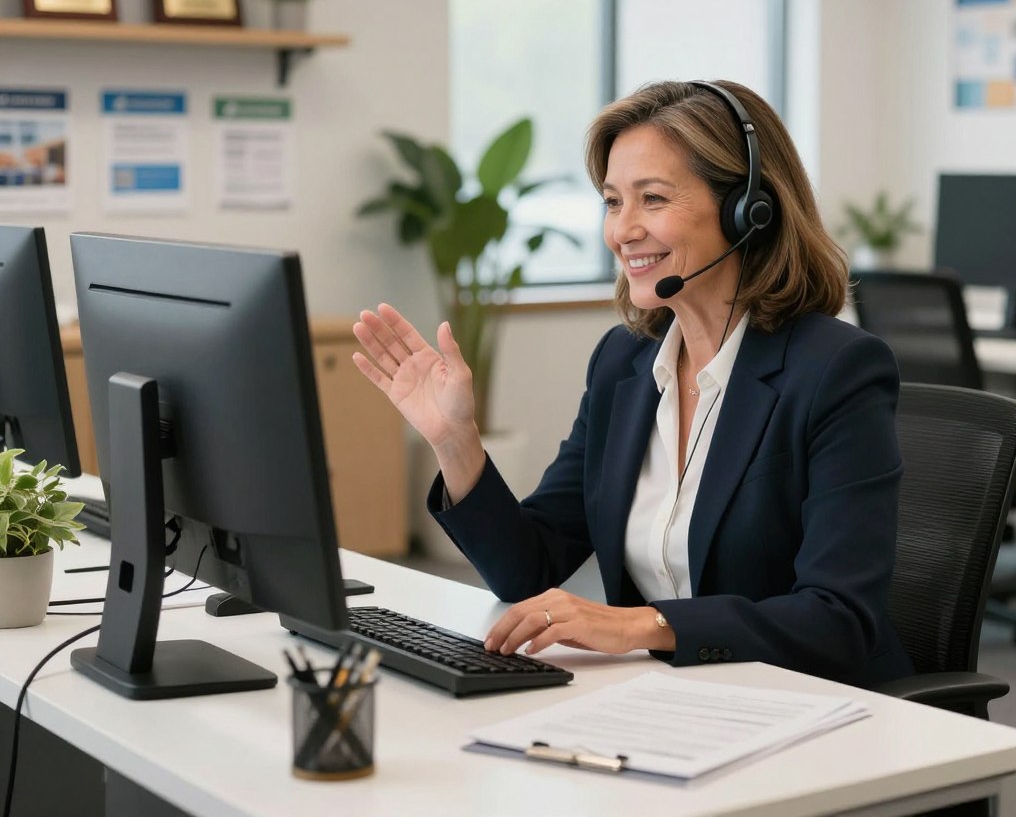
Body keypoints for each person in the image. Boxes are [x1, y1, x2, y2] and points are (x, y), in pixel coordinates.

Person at [352, 79, 913, 688]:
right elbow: (530, 570)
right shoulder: (625, 364)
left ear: (749, 210)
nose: (623, 231)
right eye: (613, 202)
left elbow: (839, 621)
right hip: (669, 700)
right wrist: (455, 440)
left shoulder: (836, 370)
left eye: (652, 199)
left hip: (815, 708)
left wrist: (641, 626)